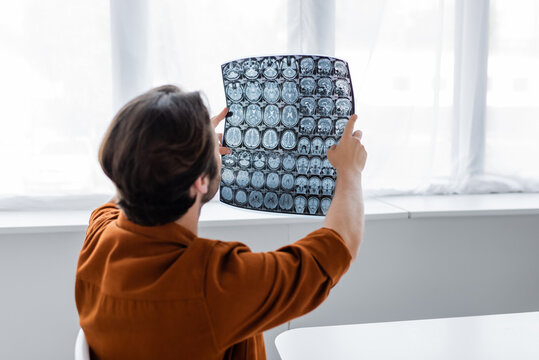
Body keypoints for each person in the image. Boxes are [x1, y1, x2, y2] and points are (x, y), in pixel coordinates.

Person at [75, 84, 367, 360]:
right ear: (200, 181)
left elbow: (127, 185)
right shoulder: (214, 283)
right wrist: (350, 171)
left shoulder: (100, 237)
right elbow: (335, 249)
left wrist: (189, 149)